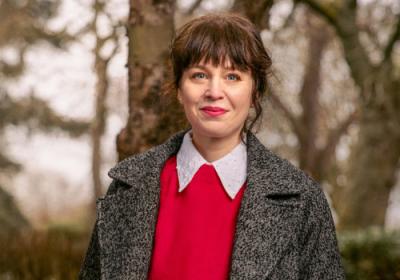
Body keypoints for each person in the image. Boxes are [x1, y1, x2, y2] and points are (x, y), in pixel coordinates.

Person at [79, 13, 345, 280]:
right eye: (199, 75)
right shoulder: (129, 185)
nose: (214, 91)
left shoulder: (301, 198)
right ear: (179, 89)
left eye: (232, 76)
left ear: (255, 92)